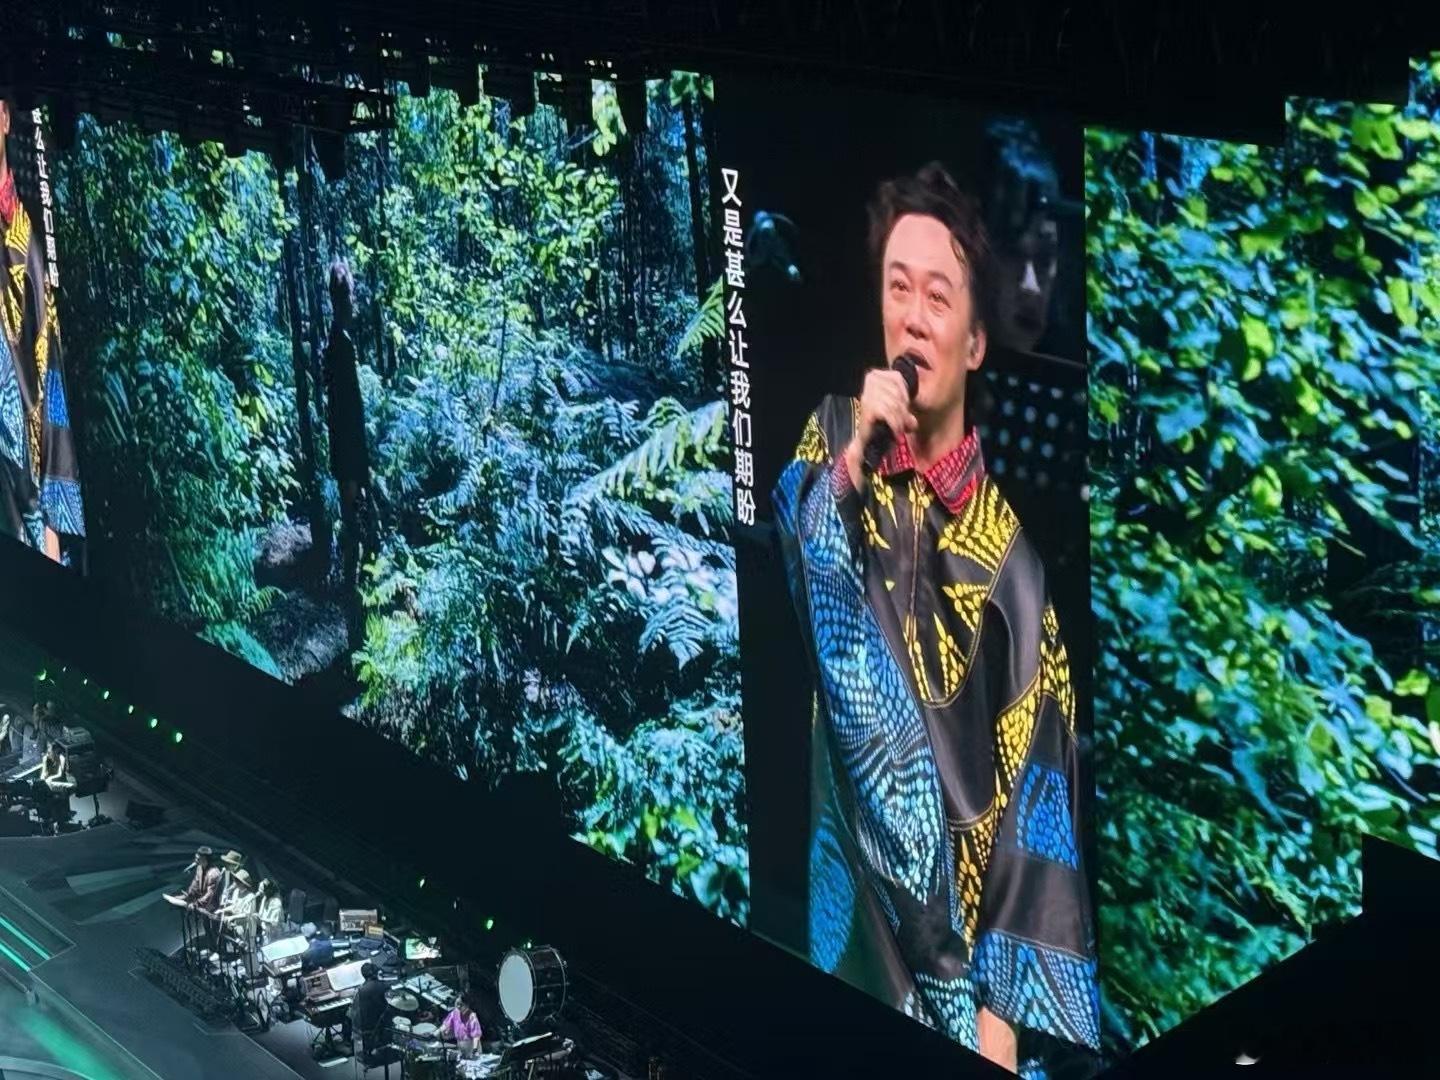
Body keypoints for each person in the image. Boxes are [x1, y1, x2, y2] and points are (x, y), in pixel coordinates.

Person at [772, 163, 1098, 1074]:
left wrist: (996, 1030)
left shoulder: (1013, 570)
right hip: (843, 939)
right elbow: (799, 569)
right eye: (897, 289)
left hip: (950, 996)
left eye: (938, 297)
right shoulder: (831, 438)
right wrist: (856, 462)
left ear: (977, 340)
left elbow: (1037, 829)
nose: (912, 318)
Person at [0, 97, 85, 559]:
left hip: (26, 495)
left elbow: (47, 375)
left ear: (4, 118)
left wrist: (52, 524)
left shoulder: (25, 241)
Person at [323, 258, 372, 648]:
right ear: (345, 298)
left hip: (347, 457)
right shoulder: (339, 343)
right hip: (350, 458)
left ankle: (358, 627)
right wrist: (357, 468)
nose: (353, 303)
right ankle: (356, 631)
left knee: (355, 526)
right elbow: (347, 411)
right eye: (350, 295)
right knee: (354, 530)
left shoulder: (336, 340)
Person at [342, 961, 390, 1048]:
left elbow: (355, 1007)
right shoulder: (385, 986)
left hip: (366, 1024)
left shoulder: (361, 990)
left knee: (346, 1015)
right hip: (382, 1020)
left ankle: (347, 1041)